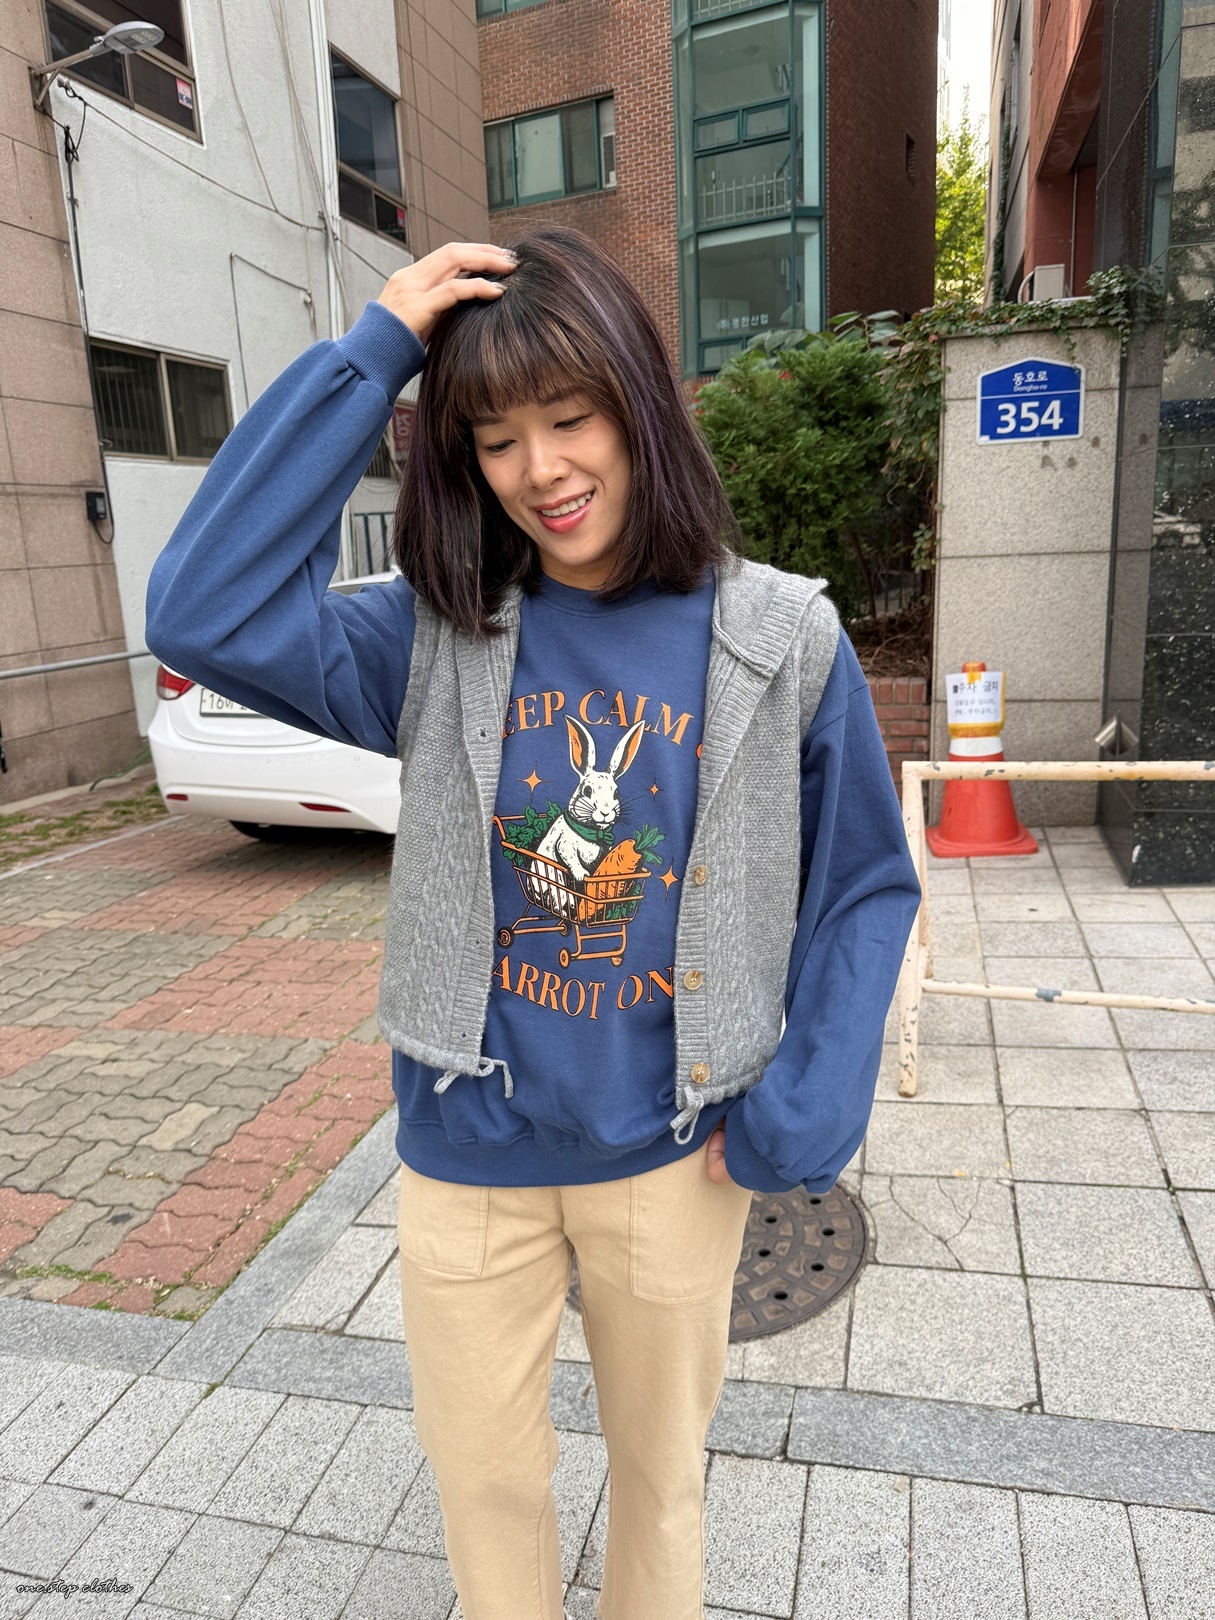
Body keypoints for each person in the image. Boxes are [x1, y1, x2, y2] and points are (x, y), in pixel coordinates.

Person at [145, 226, 921, 1620]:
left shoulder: (779, 637)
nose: (541, 470)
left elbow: (861, 883)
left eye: (570, 419)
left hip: (672, 1155)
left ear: (638, 405)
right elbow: (203, 611)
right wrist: (376, 352)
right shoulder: (434, 632)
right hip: (468, 1153)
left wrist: (800, 1114)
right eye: (496, 439)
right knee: (485, 1486)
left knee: (661, 1487)